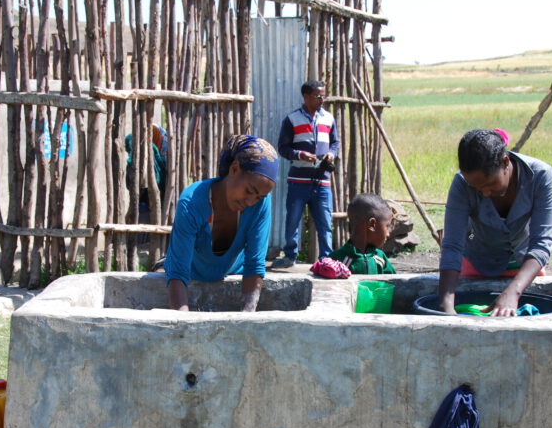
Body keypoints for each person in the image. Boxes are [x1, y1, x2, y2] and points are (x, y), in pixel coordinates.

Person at [437, 128, 552, 316]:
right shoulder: (461, 183)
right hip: (477, 262)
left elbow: (541, 245)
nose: (484, 193)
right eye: (476, 188)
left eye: (490, 184)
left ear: (505, 162)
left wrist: (513, 292)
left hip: (524, 265)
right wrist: (446, 306)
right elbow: (453, 245)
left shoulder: (540, 176)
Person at [165, 135, 278, 312]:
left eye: (259, 197)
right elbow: (178, 272)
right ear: (234, 169)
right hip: (190, 274)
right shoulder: (192, 202)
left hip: (233, 272)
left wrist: (246, 320)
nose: (251, 201)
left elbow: (255, 264)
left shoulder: (261, 204)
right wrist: (183, 328)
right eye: (249, 191)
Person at [273, 80, 340, 268]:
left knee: (325, 223)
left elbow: (335, 143)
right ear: (306, 97)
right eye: (317, 96)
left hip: (322, 180)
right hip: (298, 181)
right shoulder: (292, 119)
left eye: (323, 95)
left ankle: (327, 260)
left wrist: (331, 154)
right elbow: (283, 148)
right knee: (293, 220)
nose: (321, 99)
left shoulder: (328, 118)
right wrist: (300, 154)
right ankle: (289, 257)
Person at [328, 193, 397, 275]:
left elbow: (394, 284)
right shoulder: (336, 261)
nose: (388, 234)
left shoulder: (380, 258)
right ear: (372, 224)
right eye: (387, 226)